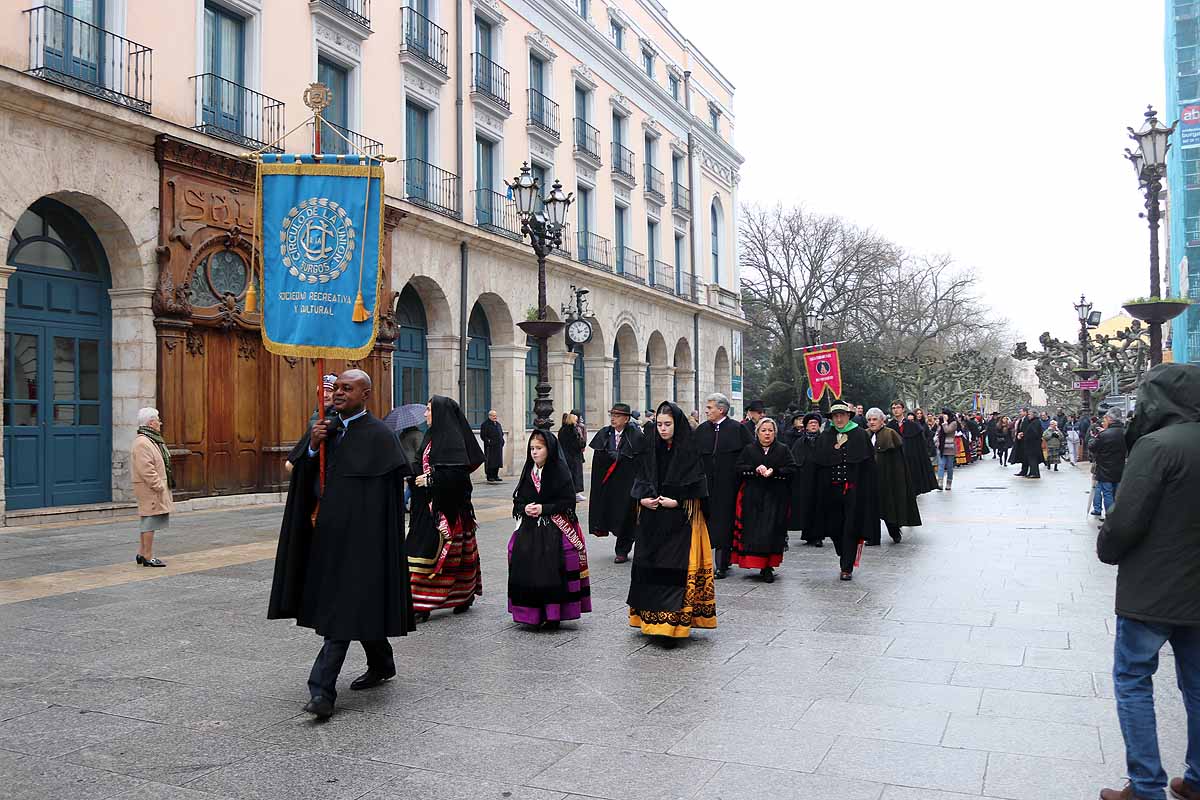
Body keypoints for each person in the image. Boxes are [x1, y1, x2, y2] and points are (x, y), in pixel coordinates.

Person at [267, 370, 413, 720]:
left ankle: (322, 691)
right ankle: (382, 661)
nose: (338, 393)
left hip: (363, 542)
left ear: (366, 394)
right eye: (337, 388)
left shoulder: (380, 436)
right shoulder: (324, 429)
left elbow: (387, 501)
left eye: (348, 388)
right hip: (327, 538)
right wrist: (313, 445)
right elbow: (299, 473)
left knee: (342, 614)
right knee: (352, 606)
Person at [1096, 364, 1200, 800]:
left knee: (1134, 679)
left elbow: (1125, 520)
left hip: (1152, 590)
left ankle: (1145, 784)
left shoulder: (1156, 447)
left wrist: (1108, 547)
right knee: (1196, 685)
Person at [627, 401, 716, 643]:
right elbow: (639, 479)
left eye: (668, 424)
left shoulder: (690, 451)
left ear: (677, 424)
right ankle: (649, 622)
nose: (663, 429)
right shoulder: (649, 448)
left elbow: (699, 488)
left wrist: (677, 501)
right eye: (659, 424)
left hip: (680, 523)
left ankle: (672, 627)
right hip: (651, 520)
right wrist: (642, 499)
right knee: (649, 568)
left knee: (674, 572)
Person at [407, 395, 485, 622]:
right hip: (427, 507)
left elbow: (457, 476)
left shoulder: (453, 438)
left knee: (442, 556)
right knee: (421, 551)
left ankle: (430, 601)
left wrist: (430, 480)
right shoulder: (430, 436)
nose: (425, 414)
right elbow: (422, 463)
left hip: (449, 509)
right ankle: (419, 600)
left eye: (429, 410)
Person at [507, 429, 591, 629]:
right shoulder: (529, 471)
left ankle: (553, 614)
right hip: (530, 528)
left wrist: (544, 508)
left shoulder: (560, 471)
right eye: (532, 448)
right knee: (522, 558)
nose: (534, 453)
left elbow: (568, 501)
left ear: (549, 449)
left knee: (552, 565)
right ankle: (530, 614)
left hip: (554, 527)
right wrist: (525, 507)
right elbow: (518, 499)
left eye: (539, 448)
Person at [809, 401, 875, 581]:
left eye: (842, 415)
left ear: (848, 416)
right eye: (835, 416)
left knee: (851, 527)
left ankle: (847, 566)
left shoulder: (860, 435)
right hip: (831, 491)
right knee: (834, 527)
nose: (839, 419)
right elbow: (818, 465)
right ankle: (843, 551)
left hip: (853, 491)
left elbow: (869, 466)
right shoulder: (825, 437)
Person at [693, 392, 753, 579]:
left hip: (729, 486)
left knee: (725, 523)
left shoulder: (737, 429)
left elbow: (748, 454)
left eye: (710, 408)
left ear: (721, 409)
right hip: (705, 485)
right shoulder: (701, 430)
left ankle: (722, 563)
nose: (706, 411)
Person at [730, 417, 795, 582]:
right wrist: (754, 469)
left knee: (772, 531)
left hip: (775, 496)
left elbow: (792, 469)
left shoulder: (783, 449)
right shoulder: (749, 449)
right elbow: (738, 468)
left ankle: (768, 566)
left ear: (775, 433)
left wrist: (775, 471)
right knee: (754, 531)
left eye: (770, 430)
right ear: (757, 432)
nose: (767, 434)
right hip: (753, 497)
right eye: (763, 430)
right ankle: (756, 562)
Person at [588, 403, 643, 563]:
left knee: (627, 515)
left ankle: (622, 550)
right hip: (608, 484)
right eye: (612, 415)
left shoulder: (636, 436)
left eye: (617, 415)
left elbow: (639, 461)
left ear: (626, 419)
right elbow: (598, 462)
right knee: (610, 514)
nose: (613, 418)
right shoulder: (605, 434)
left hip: (627, 484)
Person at [865, 408, 922, 543]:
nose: (872, 423)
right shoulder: (865, 434)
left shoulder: (890, 434)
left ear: (882, 420)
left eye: (874, 419)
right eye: (869, 420)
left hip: (887, 477)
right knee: (871, 508)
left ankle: (894, 531)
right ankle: (873, 537)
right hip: (869, 478)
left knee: (889, 506)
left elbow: (897, 462)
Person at [131, 407, 173, 568]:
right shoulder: (143, 442)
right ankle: (148, 556)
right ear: (151, 422)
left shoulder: (150, 440)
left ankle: (142, 553)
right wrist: (159, 486)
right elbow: (146, 469)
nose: (160, 423)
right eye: (158, 420)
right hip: (150, 489)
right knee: (150, 522)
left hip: (150, 488)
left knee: (148, 520)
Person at [887, 401, 936, 495]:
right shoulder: (890, 427)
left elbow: (920, 446)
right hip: (896, 461)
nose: (896, 410)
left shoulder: (913, 426)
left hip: (912, 460)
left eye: (898, 407)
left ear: (903, 409)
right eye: (893, 408)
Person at [789, 412, 823, 547]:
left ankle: (819, 536)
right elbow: (794, 459)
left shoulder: (824, 439)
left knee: (819, 507)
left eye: (815, 423)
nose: (813, 425)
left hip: (820, 479)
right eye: (810, 423)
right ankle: (808, 534)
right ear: (806, 427)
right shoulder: (800, 442)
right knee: (806, 507)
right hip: (804, 480)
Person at [1091, 411, 1127, 519]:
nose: (1103, 422)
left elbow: (1092, 447)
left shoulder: (1104, 434)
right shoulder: (1125, 432)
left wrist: (1095, 437)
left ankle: (1110, 518)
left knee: (1107, 493)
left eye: (1105, 419)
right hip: (1120, 467)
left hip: (1105, 468)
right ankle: (1116, 516)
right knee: (1117, 493)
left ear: (1110, 420)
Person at [558, 411, 586, 501]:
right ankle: (575, 493)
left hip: (565, 455)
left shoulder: (562, 429)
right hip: (573, 456)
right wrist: (582, 443)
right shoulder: (573, 430)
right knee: (575, 474)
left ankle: (567, 493)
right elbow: (578, 443)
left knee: (568, 474)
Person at [1015, 408, 1044, 479]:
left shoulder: (1036, 422)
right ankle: (1031, 472)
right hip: (1030, 444)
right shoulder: (1032, 422)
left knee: (1033, 459)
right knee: (1030, 459)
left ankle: (1035, 473)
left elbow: (1034, 433)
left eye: (1030, 414)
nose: (1028, 416)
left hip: (1033, 444)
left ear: (1034, 415)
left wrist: (1025, 435)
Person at [935, 409, 959, 490]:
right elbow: (938, 433)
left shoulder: (954, 423)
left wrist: (945, 422)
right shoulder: (940, 423)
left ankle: (949, 482)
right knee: (941, 465)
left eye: (945, 414)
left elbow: (947, 430)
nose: (943, 416)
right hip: (941, 447)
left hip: (950, 447)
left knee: (949, 466)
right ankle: (940, 482)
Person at [480, 410, 505, 483]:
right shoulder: (485, 424)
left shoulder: (498, 424)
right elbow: (483, 436)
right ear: (489, 416)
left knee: (497, 461)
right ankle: (490, 476)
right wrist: (488, 441)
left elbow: (501, 433)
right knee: (490, 461)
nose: (495, 417)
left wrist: (502, 441)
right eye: (493, 416)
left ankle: (495, 475)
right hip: (490, 447)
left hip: (498, 446)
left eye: (496, 415)